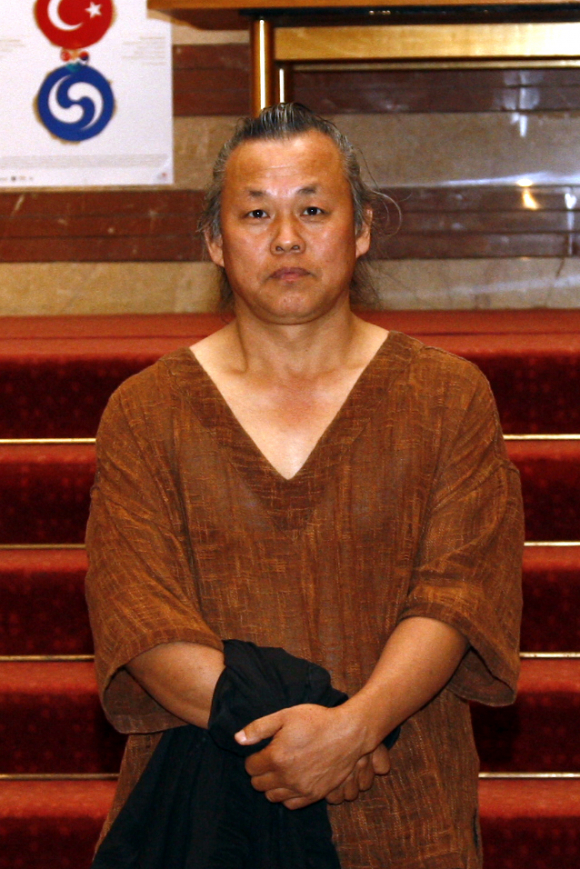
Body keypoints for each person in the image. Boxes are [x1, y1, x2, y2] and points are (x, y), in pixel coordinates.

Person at [85, 103, 524, 869]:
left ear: (362, 229)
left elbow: (458, 597)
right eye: (256, 213)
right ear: (215, 241)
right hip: (208, 815)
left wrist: (357, 727)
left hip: (407, 811)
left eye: (313, 210)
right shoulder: (147, 411)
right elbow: (140, 618)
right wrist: (301, 738)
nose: (286, 237)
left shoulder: (447, 398)